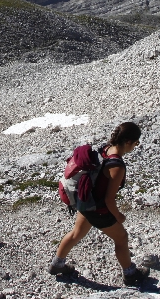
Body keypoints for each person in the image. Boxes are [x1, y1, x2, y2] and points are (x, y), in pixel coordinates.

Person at [49, 122, 150, 286]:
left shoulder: (104, 149)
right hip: (98, 209)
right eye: (136, 143)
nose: (135, 147)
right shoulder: (116, 166)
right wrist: (118, 215)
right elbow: (109, 199)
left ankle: (57, 264)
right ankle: (130, 273)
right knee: (122, 238)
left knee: (76, 233)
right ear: (128, 142)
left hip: (85, 201)